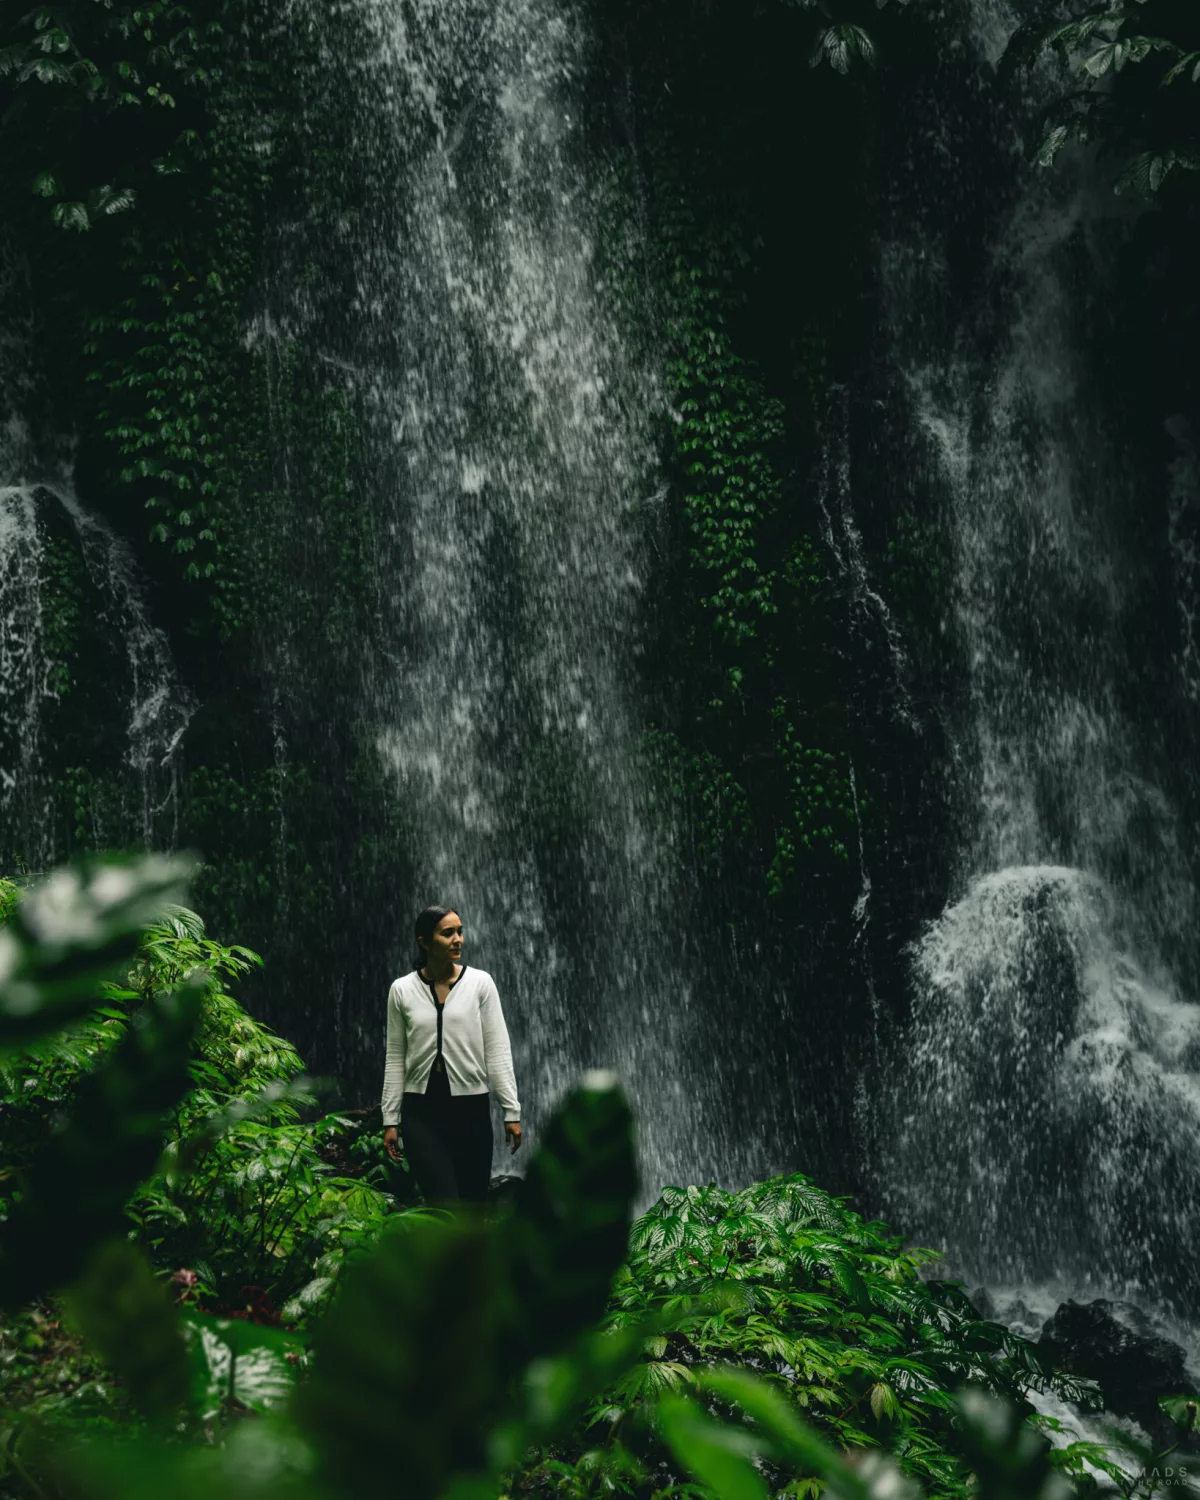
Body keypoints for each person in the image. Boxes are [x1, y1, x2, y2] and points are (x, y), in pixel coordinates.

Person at [381, 904, 522, 1204]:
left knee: (472, 1206)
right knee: (443, 1206)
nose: (458, 939)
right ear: (425, 941)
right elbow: (395, 1058)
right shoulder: (402, 990)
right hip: (421, 1112)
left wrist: (511, 1110)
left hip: (470, 1109)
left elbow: (497, 1050)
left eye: (460, 931)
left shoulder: (480, 984)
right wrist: (389, 1119)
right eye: (448, 933)